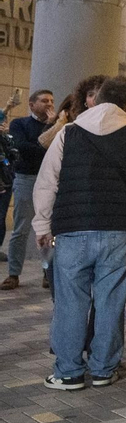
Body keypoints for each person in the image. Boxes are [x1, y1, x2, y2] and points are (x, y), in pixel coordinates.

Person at [35, 76, 126, 390]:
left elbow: (47, 181)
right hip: (118, 229)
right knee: (111, 302)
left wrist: (42, 225)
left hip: (73, 229)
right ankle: (103, 369)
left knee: (71, 303)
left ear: (96, 99)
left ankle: (68, 372)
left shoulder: (69, 132)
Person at [3, 89, 54, 290]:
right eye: (44, 101)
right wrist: (49, 131)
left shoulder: (58, 126)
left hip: (49, 180)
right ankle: (13, 274)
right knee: (21, 228)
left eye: (51, 100)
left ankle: (47, 273)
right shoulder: (20, 124)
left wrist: (52, 127)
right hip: (26, 178)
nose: (49, 104)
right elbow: (24, 148)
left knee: (49, 230)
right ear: (32, 105)